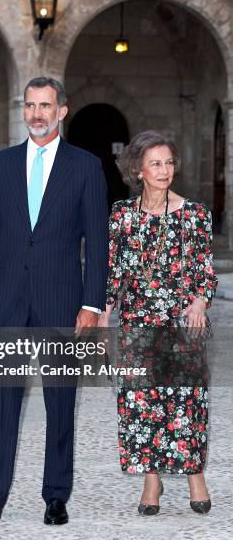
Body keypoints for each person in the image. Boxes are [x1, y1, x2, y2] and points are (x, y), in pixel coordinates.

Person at [0, 77, 109, 525]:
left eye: (45, 105)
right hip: (7, 298)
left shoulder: (86, 167)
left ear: (62, 111)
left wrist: (92, 303)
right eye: (30, 105)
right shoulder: (1, 164)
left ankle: (56, 495)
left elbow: (98, 241)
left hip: (62, 298)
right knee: (1, 401)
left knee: (61, 401)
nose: (36, 114)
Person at [98, 130, 218, 515]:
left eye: (168, 162)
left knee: (186, 401)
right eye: (155, 163)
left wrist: (199, 303)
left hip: (183, 321)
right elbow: (113, 273)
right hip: (137, 320)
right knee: (141, 402)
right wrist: (103, 315)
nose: (164, 170)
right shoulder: (121, 215)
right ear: (138, 170)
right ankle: (152, 481)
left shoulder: (195, 214)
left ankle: (194, 474)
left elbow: (205, 271)